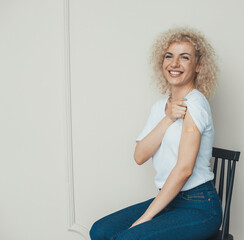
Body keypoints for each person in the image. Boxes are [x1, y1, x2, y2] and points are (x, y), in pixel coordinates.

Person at [90, 26, 222, 240]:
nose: (174, 64)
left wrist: (145, 218)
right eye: (169, 56)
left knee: (129, 238)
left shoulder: (196, 103)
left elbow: (184, 169)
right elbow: (140, 155)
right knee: (100, 231)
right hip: (169, 200)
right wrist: (168, 117)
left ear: (198, 66)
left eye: (184, 57)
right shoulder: (160, 107)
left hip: (199, 206)